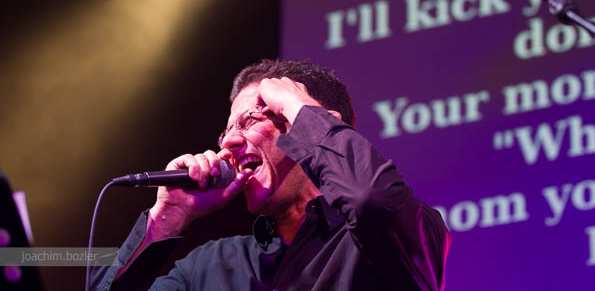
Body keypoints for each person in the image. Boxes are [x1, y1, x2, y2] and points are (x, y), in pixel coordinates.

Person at [92, 59, 450, 290]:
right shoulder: (210, 266)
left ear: (312, 124)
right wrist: (168, 218)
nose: (228, 142)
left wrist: (299, 105)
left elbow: (371, 201)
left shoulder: (394, 235)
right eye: (225, 133)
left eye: (251, 120)